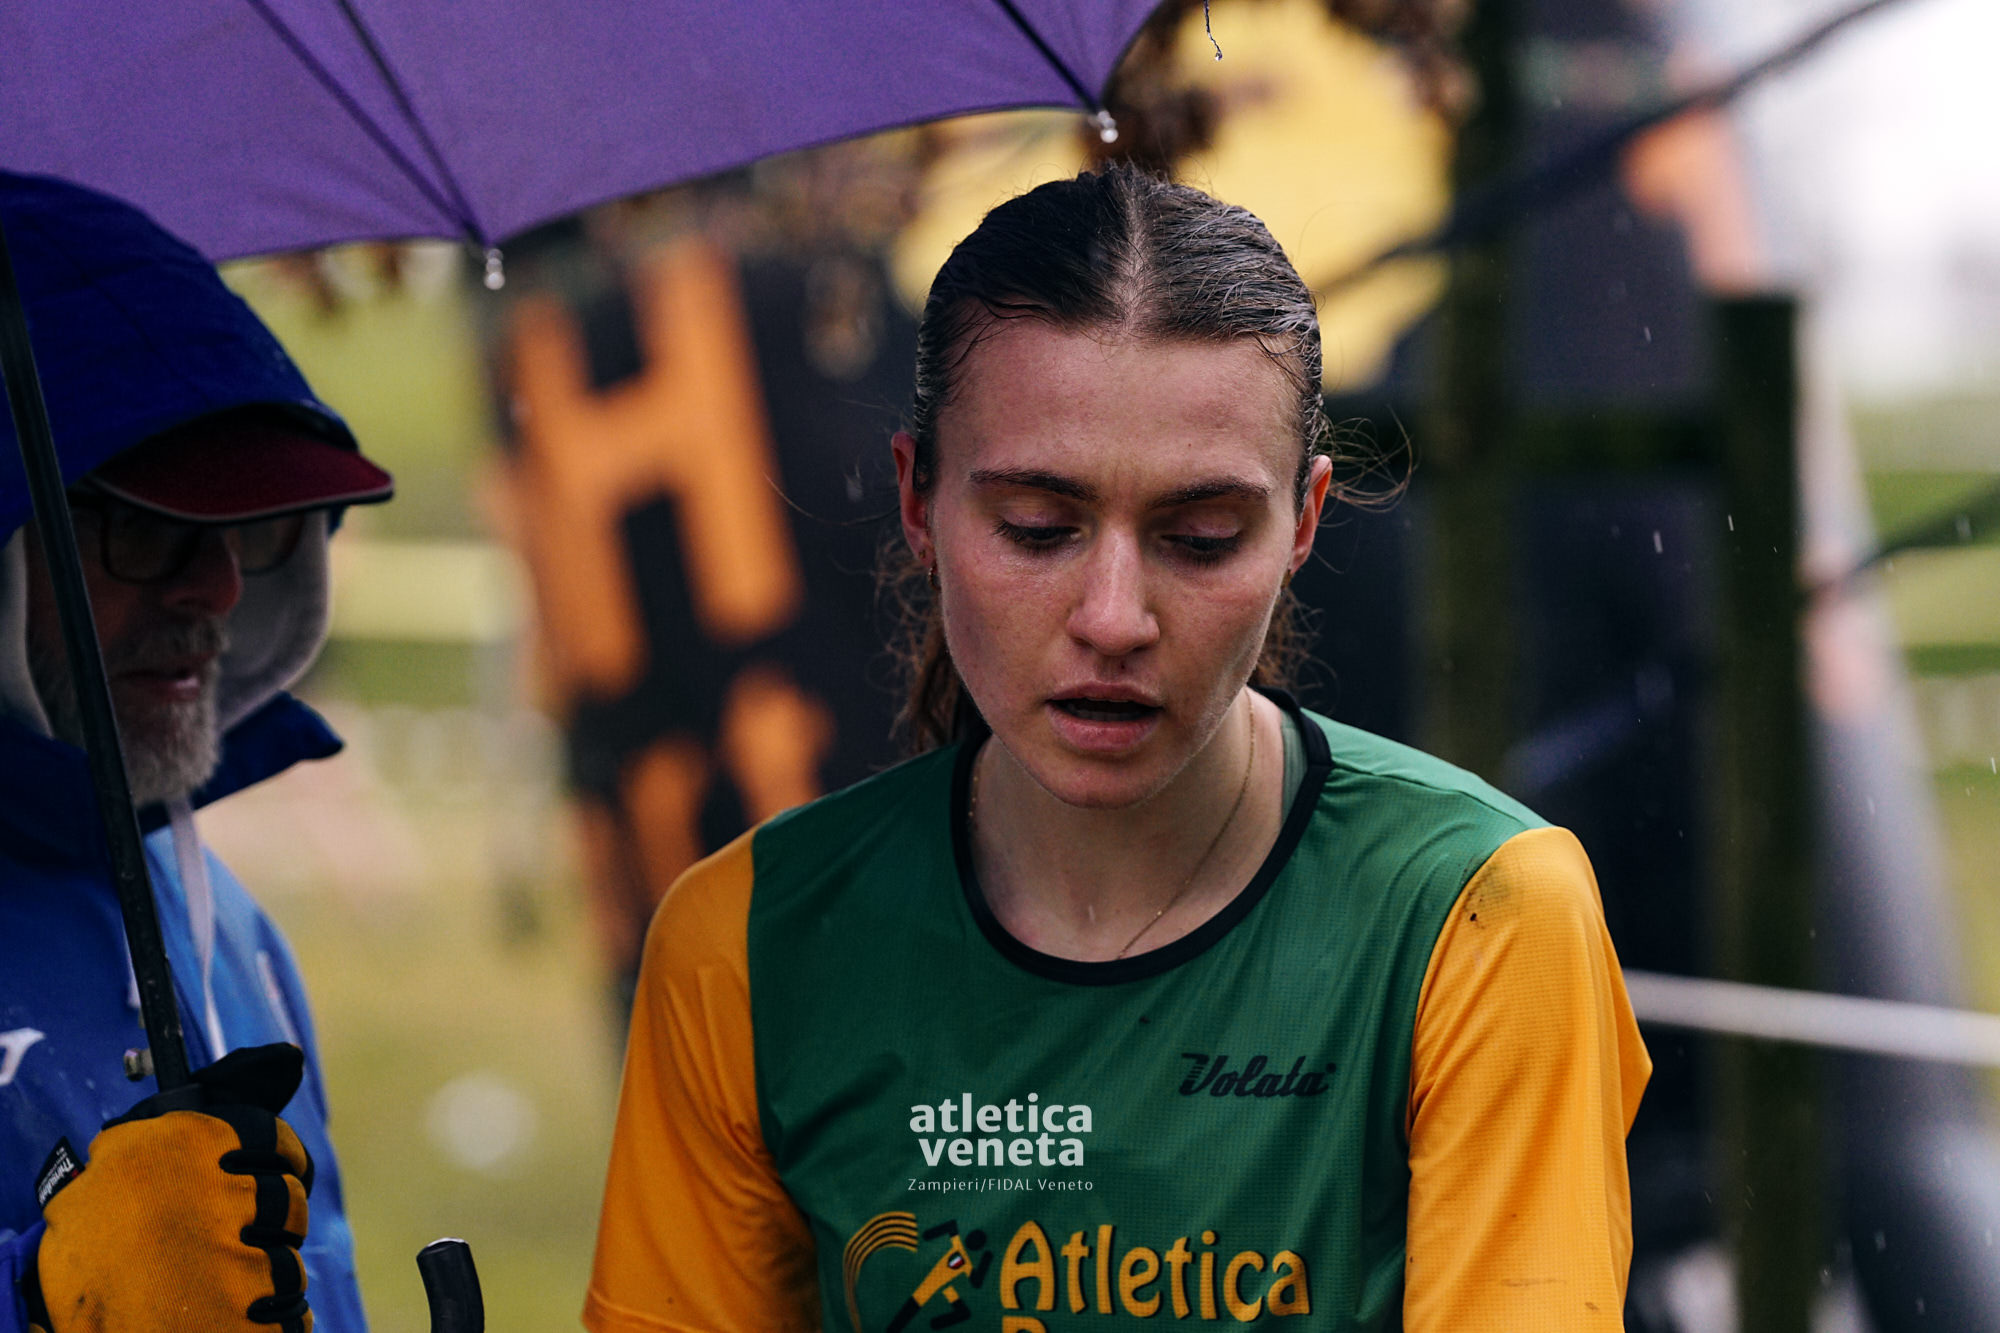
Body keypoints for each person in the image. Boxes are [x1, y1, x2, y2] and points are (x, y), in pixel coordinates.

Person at [584, 165, 1652, 1332]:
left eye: (1200, 538)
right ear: (917, 500)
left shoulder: (1475, 917)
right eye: (1036, 528)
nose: (1112, 617)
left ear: (1302, 521)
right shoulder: (747, 944)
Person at [0, 171, 393, 1331]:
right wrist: (42, 1298)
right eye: (142, 526)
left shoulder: (232, 934)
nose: (217, 587)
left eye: (248, 527)